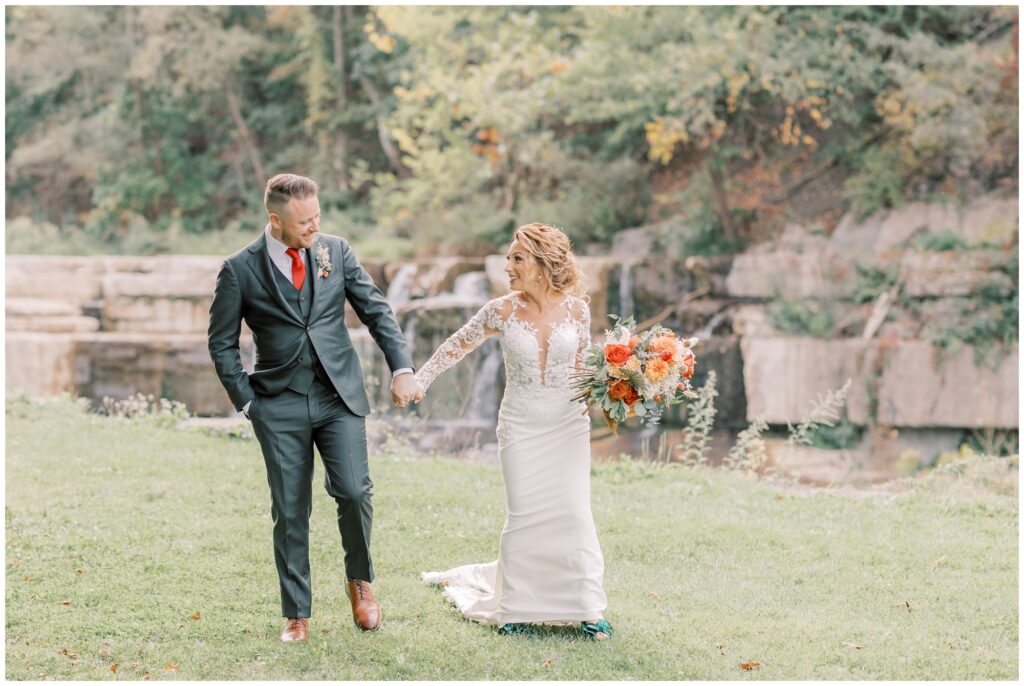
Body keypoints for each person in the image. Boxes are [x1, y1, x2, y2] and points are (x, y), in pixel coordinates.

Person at [207, 173, 422, 642]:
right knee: (289, 508)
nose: (314, 227)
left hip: (338, 396)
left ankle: (360, 584)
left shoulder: (335, 251)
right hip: (277, 402)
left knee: (353, 491)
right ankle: (296, 612)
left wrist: (401, 368)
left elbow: (377, 311)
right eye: (304, 221)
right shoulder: (239, 269)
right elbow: (222, 344)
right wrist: (248, 403)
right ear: (275, 220)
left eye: (317, 216)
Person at [412, 223, 613, 640]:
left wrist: (626, 380)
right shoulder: (501, 310)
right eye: (509, 258)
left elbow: (587, 365)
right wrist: (420, 379)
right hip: (520, 425)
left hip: (568, 426)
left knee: (573, 513)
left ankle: (586, 608)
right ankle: (517, 608)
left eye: (517, 258)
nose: (508, 266)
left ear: (542, 264)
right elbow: (456, 344)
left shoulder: (577, 311)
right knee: (524, 515)